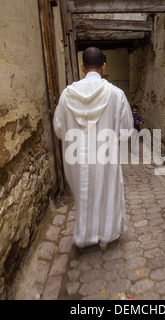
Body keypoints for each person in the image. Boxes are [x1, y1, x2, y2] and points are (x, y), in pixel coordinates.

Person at [53, 47, 134, 250]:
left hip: (77, 158)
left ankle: (83, 236)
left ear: (82, 67)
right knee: (107, 192)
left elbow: (59, 129)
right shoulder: (117, 95)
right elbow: (126, 131)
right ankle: (105, 236)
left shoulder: (67, 95)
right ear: (104, 66)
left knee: (83, 194)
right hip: (106, 157)